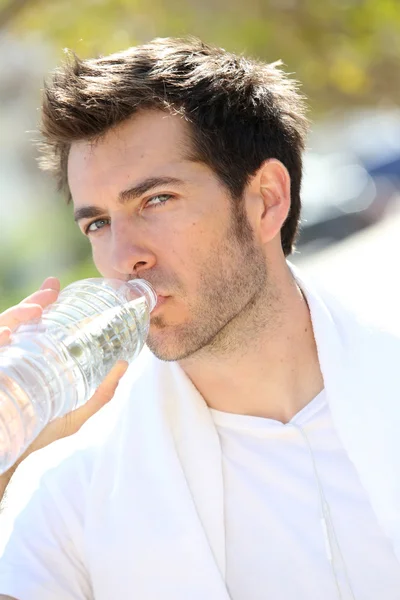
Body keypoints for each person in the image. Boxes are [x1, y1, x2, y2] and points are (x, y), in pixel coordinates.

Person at [0, 36, 399, 600]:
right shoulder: (74, 495)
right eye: (97, 224)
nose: (122, 257)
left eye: (155, 200)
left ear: (265, 199)